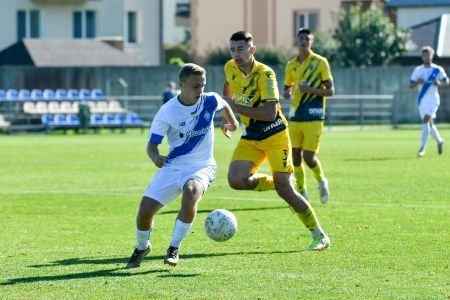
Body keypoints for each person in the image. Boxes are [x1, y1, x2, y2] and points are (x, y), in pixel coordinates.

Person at [223, 31, 330, 251]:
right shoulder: (230, 67)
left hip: (274, 134)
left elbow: (270, 113)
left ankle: (320, 235)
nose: (236, 54)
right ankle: (278, 183)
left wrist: (235, 107)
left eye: (241, 49)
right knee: (236, 179)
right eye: (233, 49)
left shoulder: (265, 74)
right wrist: (231, 120)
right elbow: (228, 91)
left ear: (252, 50)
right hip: (251, 136)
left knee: (287, 191)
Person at [126, 63, 238, 268]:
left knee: (191, 192)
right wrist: (155, 157)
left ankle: (174, 247)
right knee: (145, 211)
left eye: (203, 85)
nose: (200, 90)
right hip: (173, 166)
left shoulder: (209, 100)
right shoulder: (167, 111)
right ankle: (142, 247)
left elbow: (225, 104)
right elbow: (152, 145)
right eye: (195, 86)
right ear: (181, 84)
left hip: (201, 166)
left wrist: (232, 123)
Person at [282, 27, 334, 204]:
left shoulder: (320, 62)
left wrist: (310, 90)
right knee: (295, 156)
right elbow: (287, 88)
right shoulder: (291, 65)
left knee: (309, 157)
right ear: (296, 41)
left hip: (314, 115)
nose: (304, 41)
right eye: (301, 38)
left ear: (311, 42)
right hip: (296, 116)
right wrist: (286, 94)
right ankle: (302, 193)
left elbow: (331, 91)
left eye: (307, 38)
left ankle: (321, 181)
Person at [409, 46, 448, 157]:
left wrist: (439, 83)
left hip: (433, 99)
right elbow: (411, 85)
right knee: (429, 124)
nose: (426, 57)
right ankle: (440, 141)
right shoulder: (418, 70)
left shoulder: (437, 70)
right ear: (422, 57)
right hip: (422, 100)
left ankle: (422, 148)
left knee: (426, 120)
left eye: (428, 55)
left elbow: (446, 82)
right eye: (424, 55)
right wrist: (417, 82)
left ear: (431, 56)